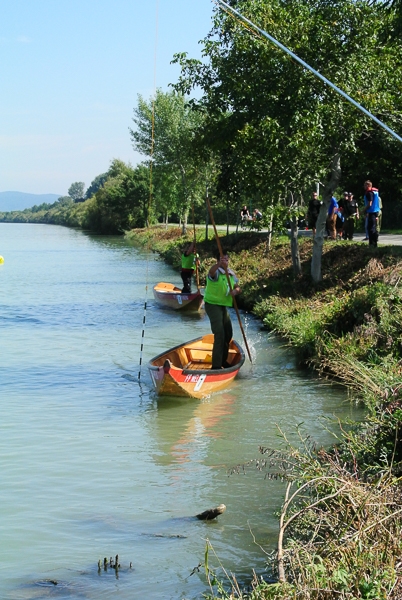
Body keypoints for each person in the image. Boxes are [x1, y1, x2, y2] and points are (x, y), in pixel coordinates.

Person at [204, 251, 241, 369]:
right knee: (219, 333)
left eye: (226, 259)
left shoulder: (230, 274)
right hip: (212, 304)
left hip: (223, 306)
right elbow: (211, 271)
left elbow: (237, 286)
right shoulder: (215, 272)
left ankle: (223, 360)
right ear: (218, 260)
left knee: (228, 333)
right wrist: (219, 264)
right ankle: (216, 366)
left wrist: (236, 291)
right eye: (222, 259)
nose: (225, 261)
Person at [363, 180, 380, 247]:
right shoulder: (374, 192)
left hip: (372, 212)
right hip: (375, 212)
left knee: (371, 229)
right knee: (372, 227)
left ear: (368, 185)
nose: (364, 186)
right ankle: (373, 243)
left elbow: (370, 204)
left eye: (365, 185)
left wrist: (363, 211)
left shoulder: (369, 193)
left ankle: (372, 243)